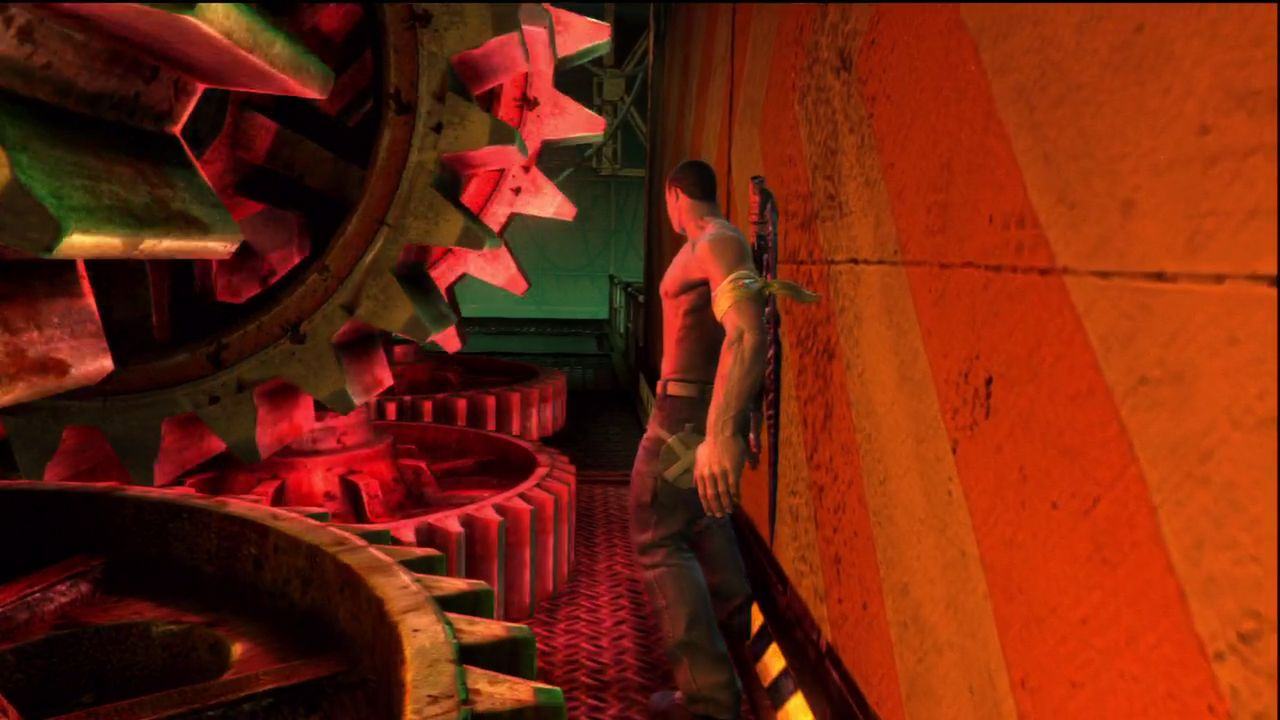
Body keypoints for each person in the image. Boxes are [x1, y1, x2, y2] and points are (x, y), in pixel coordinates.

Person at [632, 159, 791, 720]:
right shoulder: (711, 244)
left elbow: (745, 331)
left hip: (684, 419)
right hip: (690, 413)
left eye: (667, 202)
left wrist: (721, 433)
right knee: (704, 525)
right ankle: (740, 668)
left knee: (655, 534)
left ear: (675, 194)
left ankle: (709, 700)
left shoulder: (714, 242)